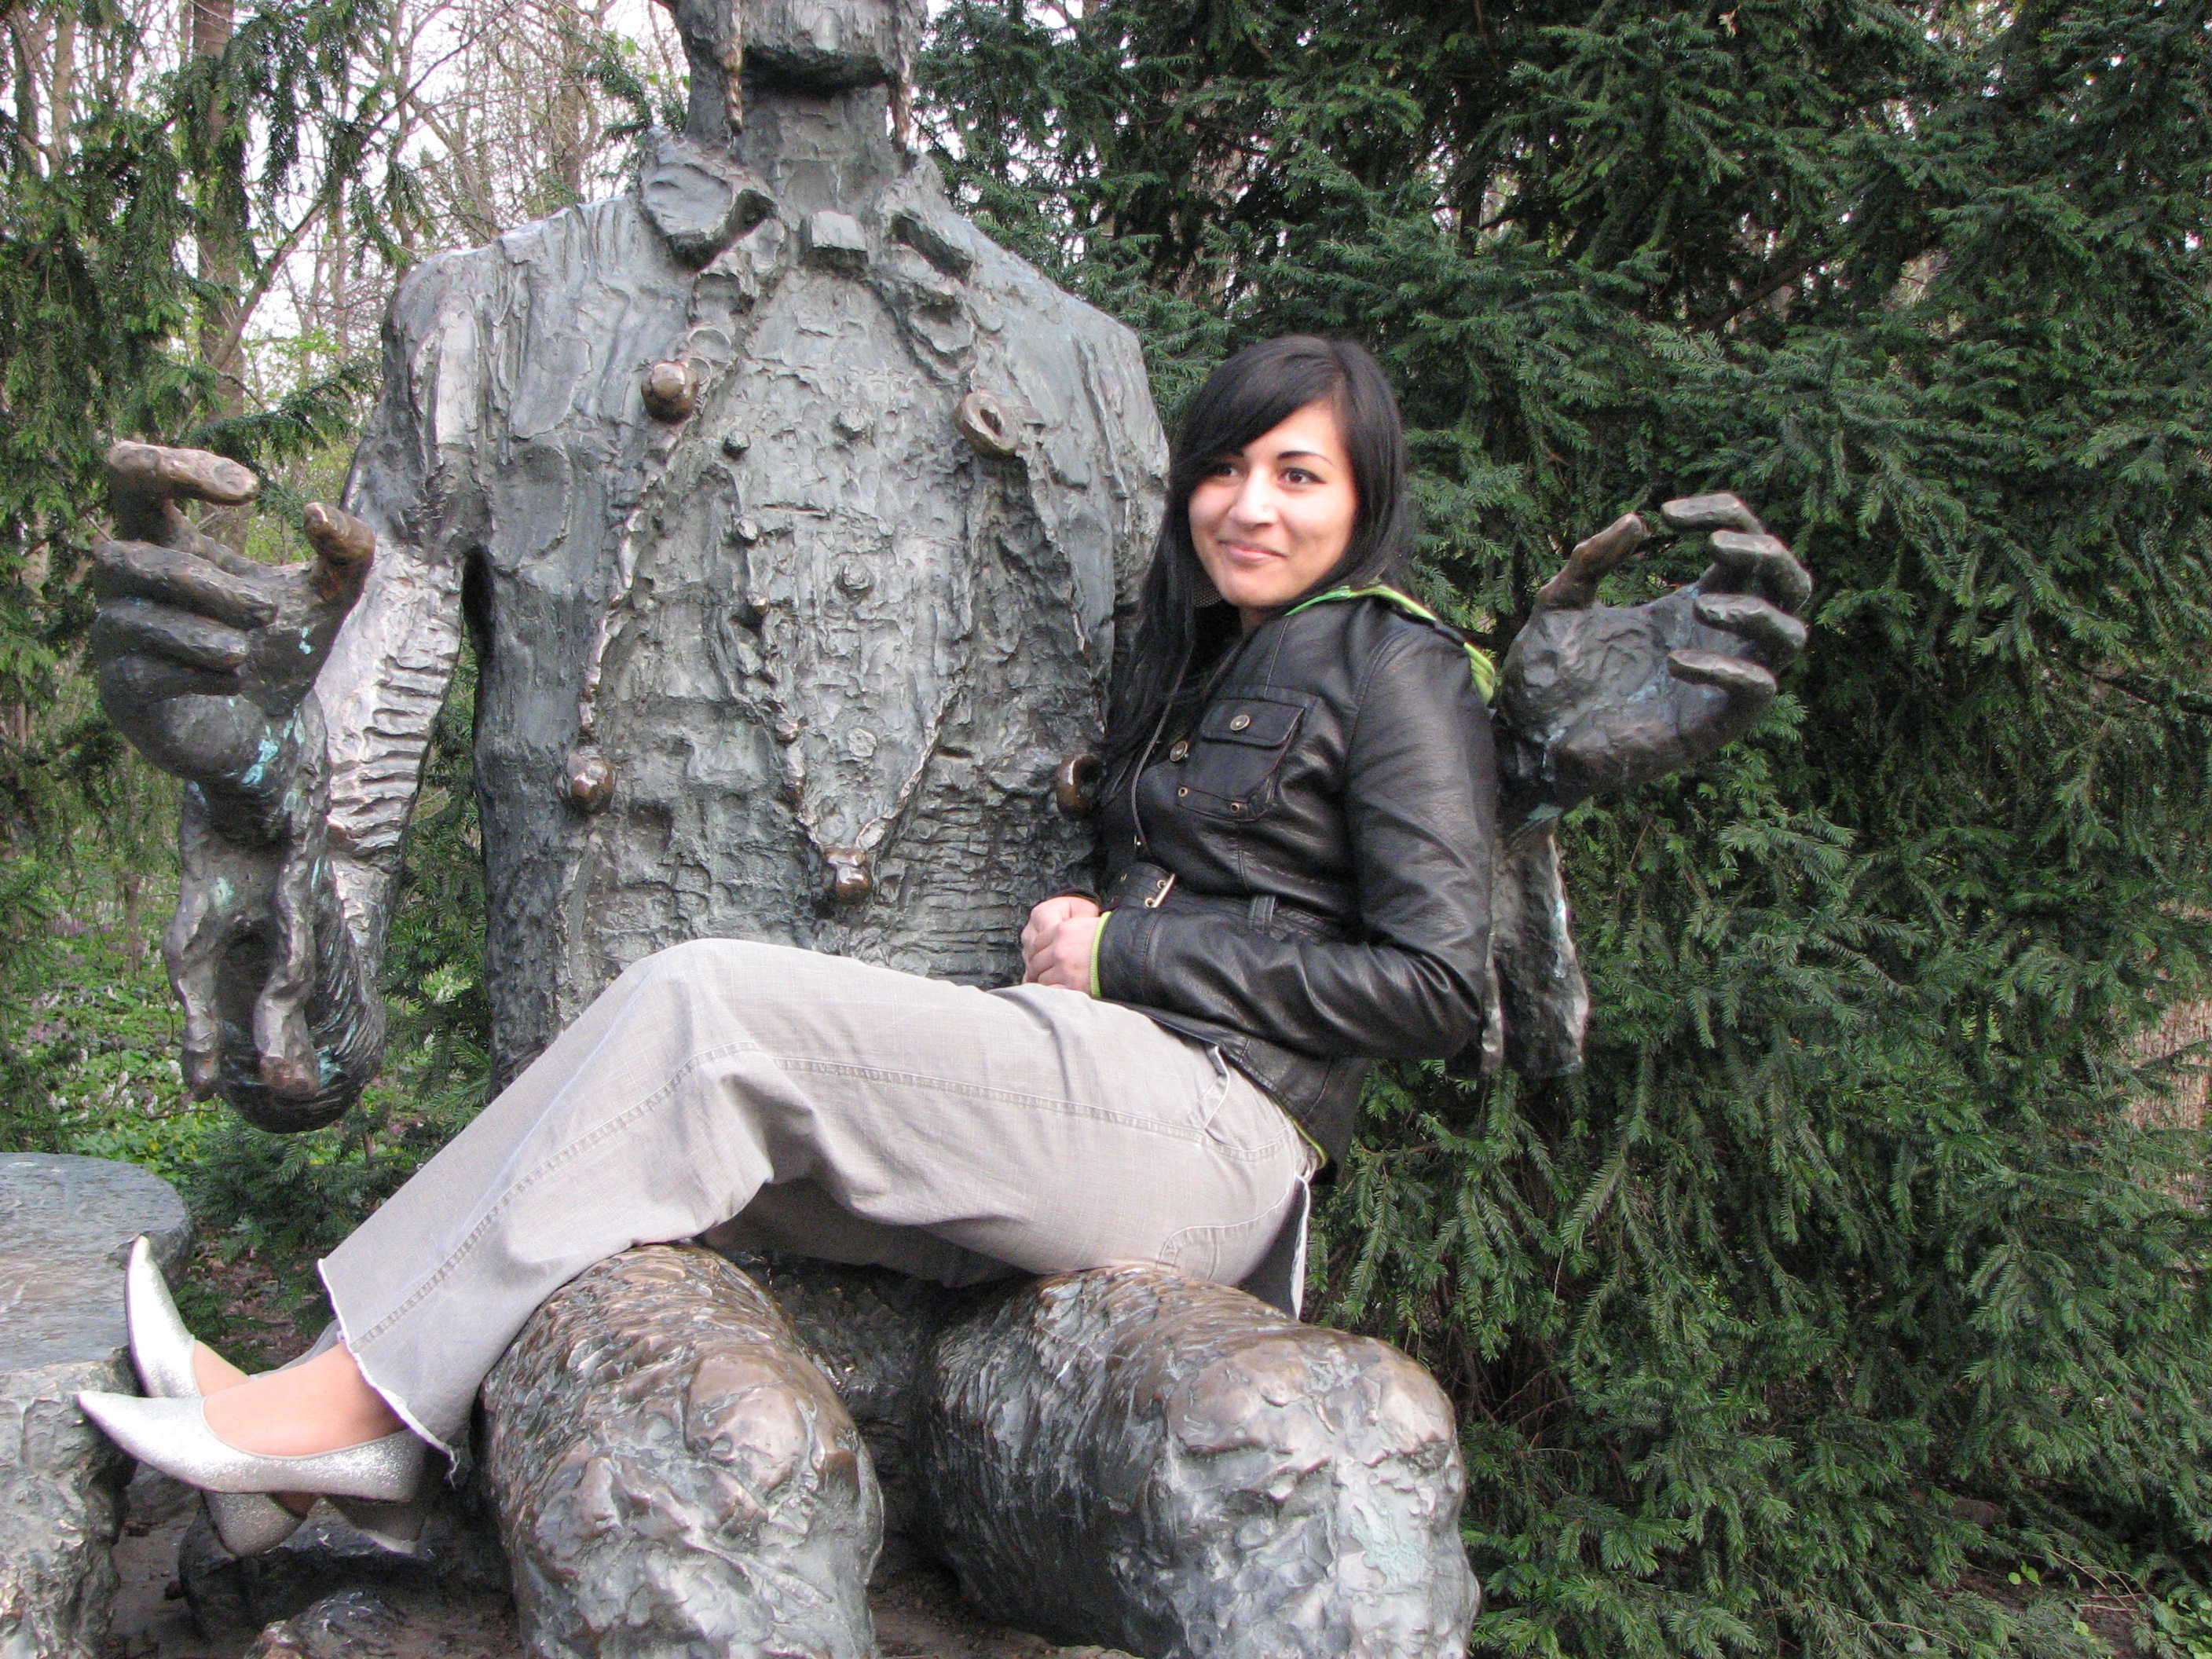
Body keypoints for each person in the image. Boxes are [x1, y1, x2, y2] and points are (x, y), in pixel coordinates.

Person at [75, 335, 1498, 1525]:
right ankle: (322, 1436)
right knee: (636, 1142)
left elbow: (1437, 985)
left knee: (708, 1009)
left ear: (1363, 497)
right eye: (1226, 470)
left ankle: (338, 1415)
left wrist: (1129, 953)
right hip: (1109, 1092)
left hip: (1216, 1127)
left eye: (1298, 475)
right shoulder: (1211, 659)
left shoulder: (1398, 663)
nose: (1249, 506)